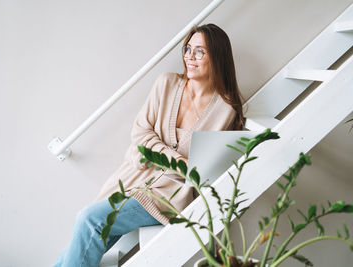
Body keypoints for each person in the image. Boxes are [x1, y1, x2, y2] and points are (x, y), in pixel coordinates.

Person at [53, 23, 244, 267]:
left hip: (170, 194)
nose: (190, 57)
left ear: (217, 57)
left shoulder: (225, 110)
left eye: (199, 52)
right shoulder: (166, 84)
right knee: (83, 241)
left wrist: (173, 163)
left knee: (89, 220)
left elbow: (204, 166)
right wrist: (176, 160)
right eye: (188, 49)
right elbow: (141, 133)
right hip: (134, 177)